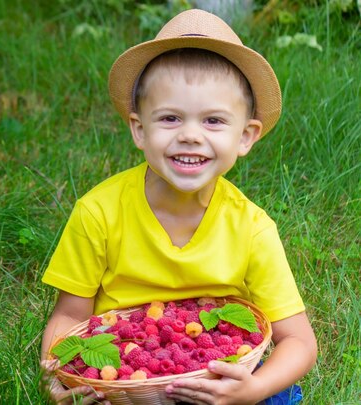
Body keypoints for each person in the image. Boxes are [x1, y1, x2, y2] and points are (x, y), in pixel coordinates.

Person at [39, 8, 317, 405]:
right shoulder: (98, 211)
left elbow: (299, 341)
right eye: (170, 118)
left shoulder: (252, 228)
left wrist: (251, 388)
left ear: (246, 136)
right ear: (140, 129)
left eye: (214, 121)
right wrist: (60, 373)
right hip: (126, 378)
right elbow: (68, 316)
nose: (190, 136)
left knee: (275, 395)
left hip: (216, 373)